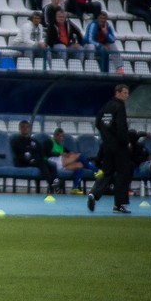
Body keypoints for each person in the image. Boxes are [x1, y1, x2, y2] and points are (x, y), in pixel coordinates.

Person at [88, 84, 132, 214]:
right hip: (119, 147)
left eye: (127, 93)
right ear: (117, 93)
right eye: (124, 93)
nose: (127, 95)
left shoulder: (107, 106)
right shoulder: (119, 107)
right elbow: (121, 127)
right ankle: (119, 205)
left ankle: (94, 195)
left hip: (107, 146)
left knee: (107, 173)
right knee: (123, 174)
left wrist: (106, 136)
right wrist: (126, 142)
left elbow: (97, 122)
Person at [44, 128, 99, 194]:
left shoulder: (61, 146)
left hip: (61, 164)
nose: (62, 138)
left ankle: (75, 188)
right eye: (60, 136)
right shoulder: (49, 142)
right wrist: (60, 154)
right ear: (55, 136)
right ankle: (96, 170)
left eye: (63, 136)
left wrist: (70, 153)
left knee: (79, 165)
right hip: (52, 162)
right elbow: (46, 153)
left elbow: (68, 152)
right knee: (79, 155)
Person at [11, 119, 59, 193]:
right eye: (23, 127)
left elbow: (41, 151)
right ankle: (51, 185)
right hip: (24, 162)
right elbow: (20, 153)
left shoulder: (33, 141)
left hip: (37, 161)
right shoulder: (17, 141)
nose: (25, 129)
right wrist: (31, 158)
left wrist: (41, 158)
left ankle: (55, 184)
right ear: (19, 129)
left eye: (27, 127)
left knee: (52, 165)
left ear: (29, 128)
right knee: (42, 164)